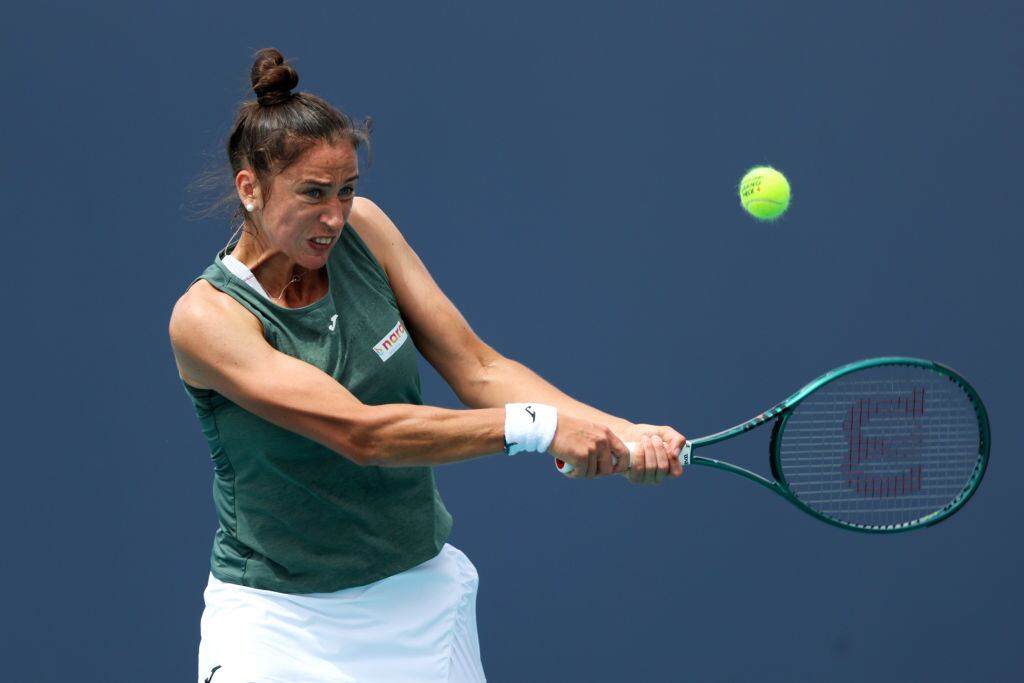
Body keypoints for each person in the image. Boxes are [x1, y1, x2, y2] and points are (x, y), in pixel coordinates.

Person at [169, 47, 685, 683]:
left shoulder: (365, 231)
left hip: (418, 602)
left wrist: (619, 429)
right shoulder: (208, 319)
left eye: (347, 191)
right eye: (312, 194)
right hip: (276, 622)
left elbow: (477, 366)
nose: (335, 216)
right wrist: (540, 427)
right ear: (250, 188)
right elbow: (364, 434)